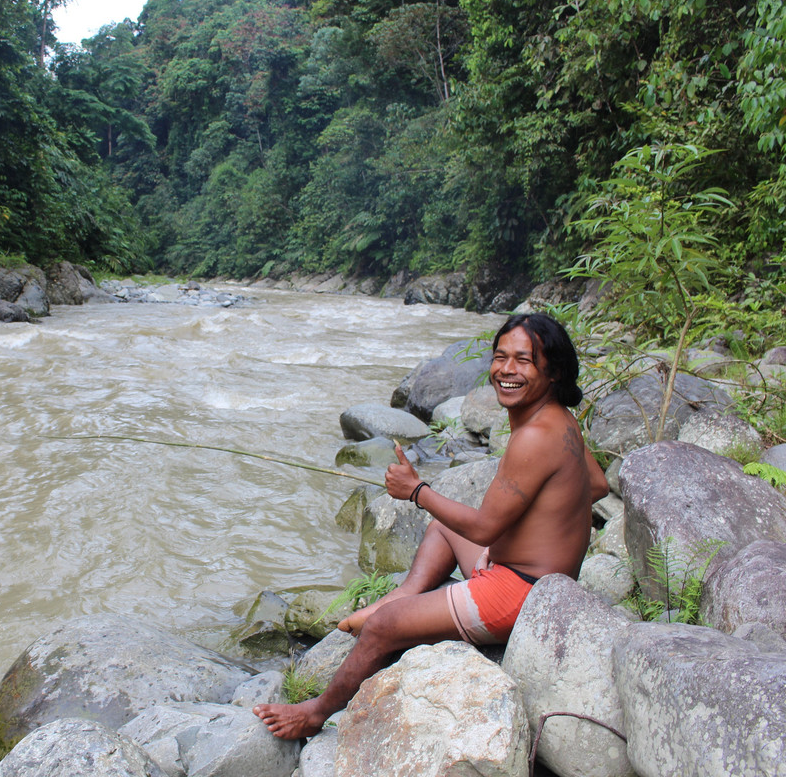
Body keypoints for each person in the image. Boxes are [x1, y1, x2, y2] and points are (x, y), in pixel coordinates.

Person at [254, 312, 610, 740]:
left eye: (523, 360)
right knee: (444, 528)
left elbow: (484, 528)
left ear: (553, 372)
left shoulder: (535, 437)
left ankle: (314, 713)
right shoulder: (561, 420)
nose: (506, 370)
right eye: (500, 357)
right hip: (535, 578)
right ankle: (407, 595)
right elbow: (597, 484)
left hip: (518, 593)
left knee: (384, 628)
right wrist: (543, 526)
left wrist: (417, 491)